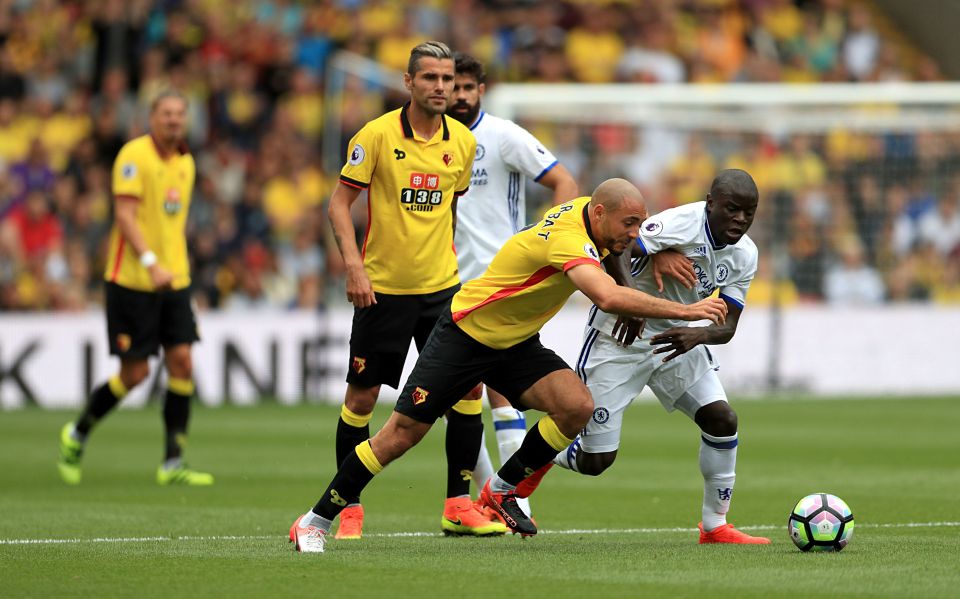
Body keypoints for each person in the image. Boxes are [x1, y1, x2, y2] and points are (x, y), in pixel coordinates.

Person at [290, 178, 729, 553]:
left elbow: (614, 253)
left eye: (639, 223)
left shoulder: (586, 218)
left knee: (575, 406)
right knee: (402, 435)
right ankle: (315, 519)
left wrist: (639, 262)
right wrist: (689, 311)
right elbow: (607, 296)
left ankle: (499, 492)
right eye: (629, 224)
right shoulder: (567, 239)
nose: (635, 234)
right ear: (598, 213)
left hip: (514, 342)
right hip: (466, 335)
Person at [322, 41, 502, 540]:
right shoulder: (376, 136)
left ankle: (458, 505)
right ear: (409, 83)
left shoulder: (462, 143)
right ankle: (349, 506)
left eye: (447, 79)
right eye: (430, 79)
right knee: (362, 398)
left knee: (468, 390)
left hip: (443, 290)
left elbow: (450, 207)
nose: (441, 87)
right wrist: (354, 267)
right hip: (382, 292)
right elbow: (339, 205)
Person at [533, 169, 771, 544]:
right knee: (596, 462)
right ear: (710, 204)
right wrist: (634, 298)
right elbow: (617, 245)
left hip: (678, 340)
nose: (740, 219)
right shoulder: (679, 222)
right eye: (732, 209)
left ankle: (715, 526)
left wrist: (697, 336)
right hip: (620, 338)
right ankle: (539, 453)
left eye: (749, 212)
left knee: (722, 420)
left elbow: (727, 326)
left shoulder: (745, 255)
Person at [445, 52, 578, 518]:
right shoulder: (435, 143)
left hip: (501, 280)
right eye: (453, 87)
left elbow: (564, 181)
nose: (459, 95)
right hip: (449, 280)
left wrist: (546, 237)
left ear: (480, 90)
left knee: (497, 390)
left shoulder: (502, 136)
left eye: (467, 88)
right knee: (462, 395)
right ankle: (493, 497)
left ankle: (511, 497)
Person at [57, 90, 212, 486]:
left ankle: (173, 462)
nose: (174, 120)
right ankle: (77, 432)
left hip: (173, 279)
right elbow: (125, 216)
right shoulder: (133, 156)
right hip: (132, 280)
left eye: (180, 113)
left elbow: (170, 221)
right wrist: (150, 262)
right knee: (135, 373)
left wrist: (176, 263)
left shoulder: (186, 161)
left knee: (182, 362)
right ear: (151, 117)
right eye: (167, 113)